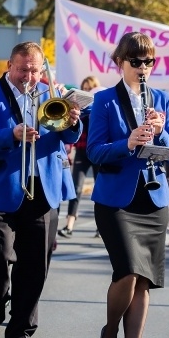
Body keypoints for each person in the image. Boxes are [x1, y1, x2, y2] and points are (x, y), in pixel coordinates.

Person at [0, 41, 81, 338]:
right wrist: (11, 134)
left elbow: (69, 137)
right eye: (22, 69)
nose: (28, 76)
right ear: (9, 65)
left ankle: (20, 334)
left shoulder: (51, 93)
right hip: (2, 188)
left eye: (34, 70)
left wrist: (74, 122)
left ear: (42, 69)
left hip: (43, 188)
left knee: (35, 266)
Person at [88, 32, 169, 338]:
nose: (143, 68)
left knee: (143, 282)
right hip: (115, 200)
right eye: (135, 61)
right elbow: (94, 151)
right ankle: (109, 332)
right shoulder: (104, 100)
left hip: (154, 200)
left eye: (148, 62)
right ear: (120, 62)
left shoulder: (163, 99)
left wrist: (158, 134)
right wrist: (127, 143)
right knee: (127, 272)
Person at [58, 75, 100, 238]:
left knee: (99, 189)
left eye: (90, 89)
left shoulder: (99, 106)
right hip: (82, 150)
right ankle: (69, 225)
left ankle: (101, 226)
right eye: (85, 89)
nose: (87, 91)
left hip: (97, 151)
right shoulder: (78, 109)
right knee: (76, 188)